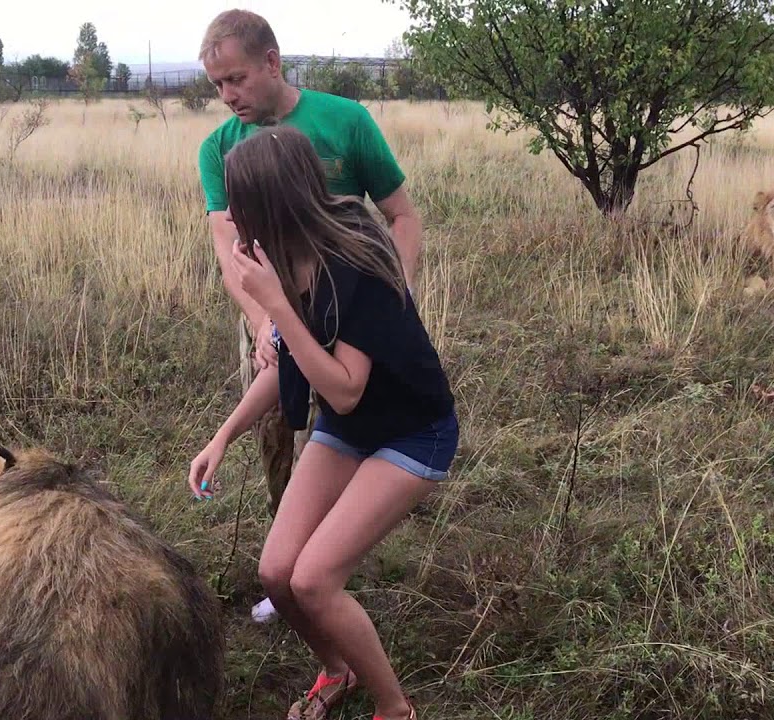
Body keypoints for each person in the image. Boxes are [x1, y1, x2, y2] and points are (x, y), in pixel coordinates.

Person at [188, 125, 457, 720]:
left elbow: (345, 387)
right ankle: (338, 670)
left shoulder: (356, 256)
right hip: (348, 426)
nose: (231, 213)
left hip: (412, 431)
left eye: (240, 200)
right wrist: (222, 437)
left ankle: (394, 708)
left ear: (271, 203)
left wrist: (276, 306)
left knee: (313, 581)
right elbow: (290, 360)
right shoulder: (281, 254)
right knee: (277, 575)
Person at [197, 6, 424, 625]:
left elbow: (401, 217)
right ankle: (290, 565)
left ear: (272, 61)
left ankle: (336, 555)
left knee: (356, 414)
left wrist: (386, 302)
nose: (227, 96)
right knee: (277, 427)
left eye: (237, 79)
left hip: (350, 304)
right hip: (269, 311)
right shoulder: (219, 148)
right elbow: (230, 250)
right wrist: (265, 322)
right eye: (216, 85)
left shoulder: (345, 121)